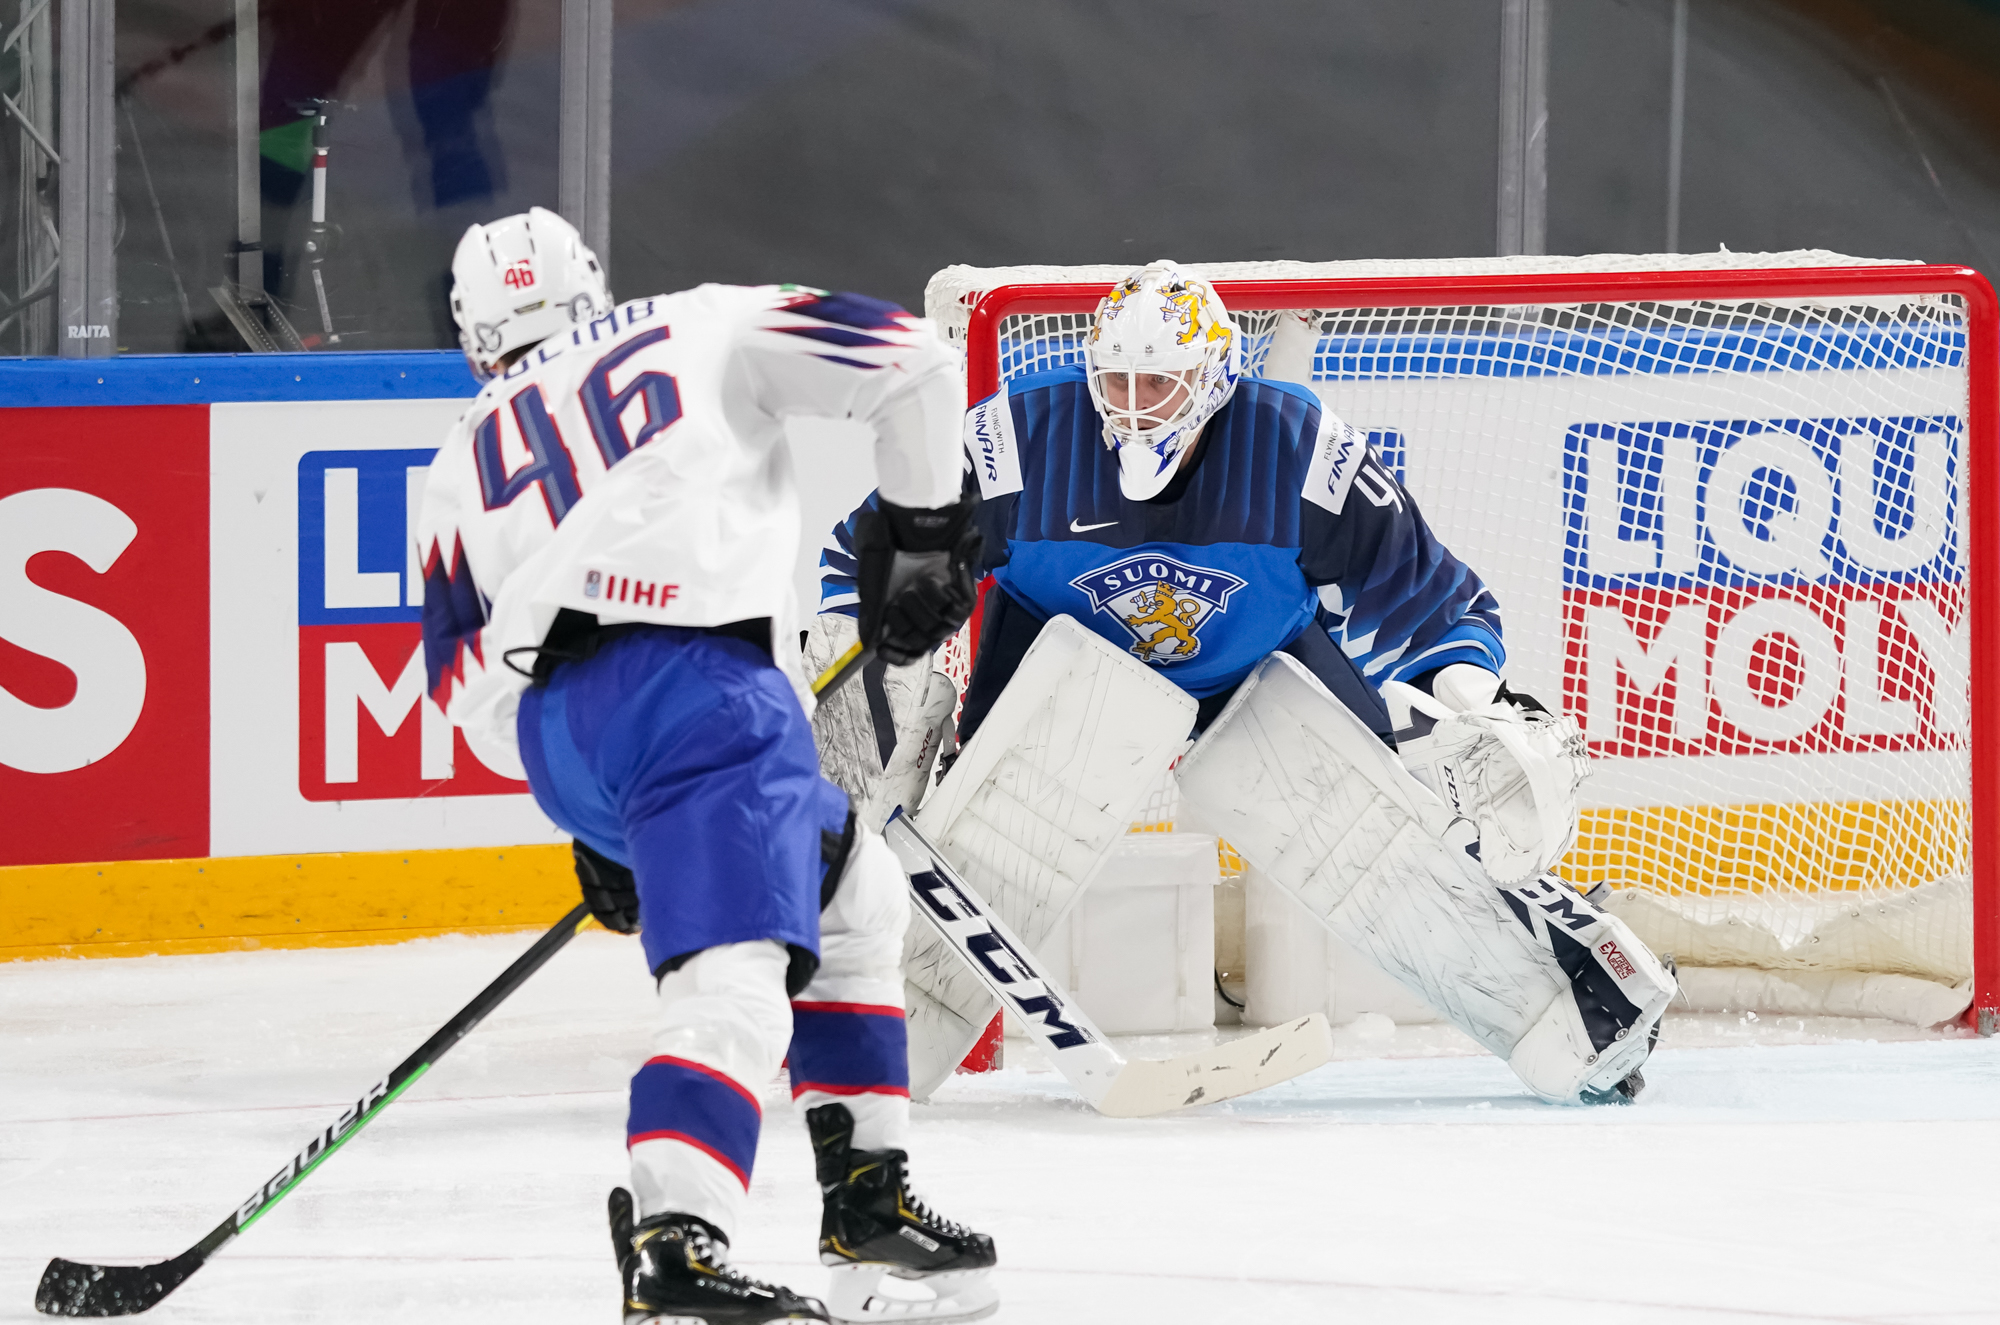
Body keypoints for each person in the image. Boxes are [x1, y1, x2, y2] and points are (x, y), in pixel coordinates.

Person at [816, 260, 1676, 1106]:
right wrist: (868, 702)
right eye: (1115, 382)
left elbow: (1432, 594)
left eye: (1160, 384)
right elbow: (868, 555)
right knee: (985, 848)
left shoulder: (1300, 451)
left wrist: (1468, 702)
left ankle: (1565, 1025)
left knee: (1389, 843)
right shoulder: (1017, 440)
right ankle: (861, 1030)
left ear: (1215, 380)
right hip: (1056, 652)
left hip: (1259, 659)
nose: (1133, 405)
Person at [417, 207, 996, 1325]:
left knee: (851, 895)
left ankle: (866, 1213)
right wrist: (924, 528)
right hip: (705, 693)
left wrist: (601, 821)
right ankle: (676, 1244)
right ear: (593, 287)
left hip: (558, 730)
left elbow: (458, 684)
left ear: (473, 335)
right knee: (733, 970)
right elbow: (911, 360)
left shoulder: (461, 452)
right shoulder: (699, 323)